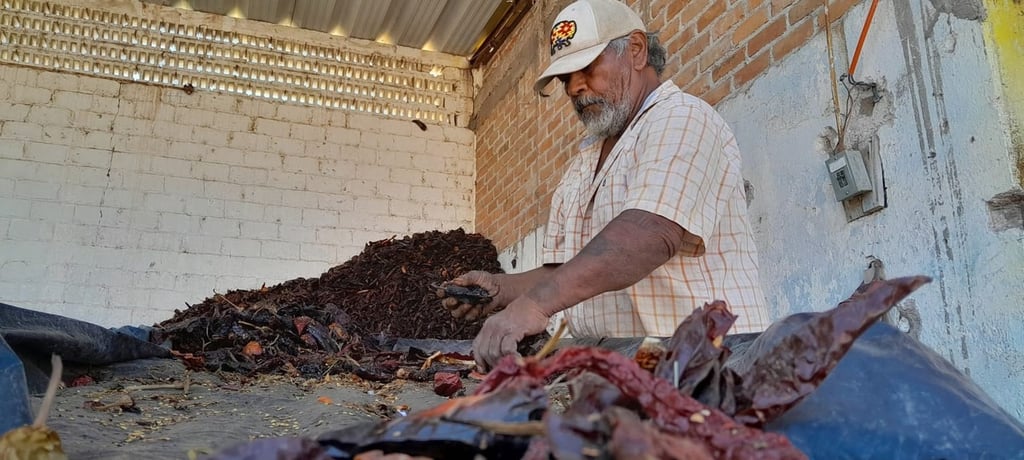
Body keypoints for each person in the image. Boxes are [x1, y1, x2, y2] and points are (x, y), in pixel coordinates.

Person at [442, 0, 771, 371]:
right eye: (565, 79)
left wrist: (534, 305)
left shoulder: (681, 118)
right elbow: (566, 271)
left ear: (636, 50)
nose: (574, 88)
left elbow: (650, 233)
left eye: (586, 68)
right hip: (630, 366)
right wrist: (502, 289)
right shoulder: (580, 168)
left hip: (706, 364)